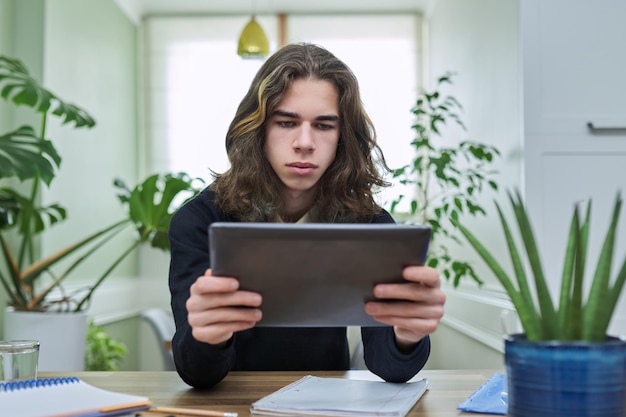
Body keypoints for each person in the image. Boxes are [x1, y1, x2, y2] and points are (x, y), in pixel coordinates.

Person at [168, 43, 446, 389]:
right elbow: (197, 373)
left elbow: (389, 368)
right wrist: (209, 335)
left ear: (343, 137)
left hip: (329, 404)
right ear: (258, 130)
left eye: (324, 126)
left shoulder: (369, 225)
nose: (304, 142)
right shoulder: (198, 222)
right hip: (232, 404)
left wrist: (408, 334)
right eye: (287, 122)